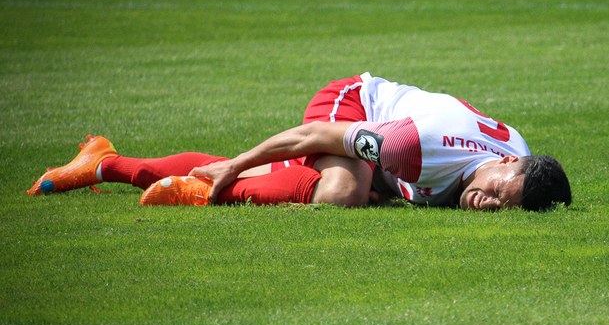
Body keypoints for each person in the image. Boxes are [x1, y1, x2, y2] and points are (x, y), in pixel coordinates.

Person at [28, 73, 571, 212]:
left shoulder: (522, 161)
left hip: (388, 150)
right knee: (341, 194)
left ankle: (106, 162)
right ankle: (113, 165)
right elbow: (314, 135)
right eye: (497, 190)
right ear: (504, 161)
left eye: (503, 207)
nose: (487, 202)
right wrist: (236, 165)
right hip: (352, 105)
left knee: (343, 187)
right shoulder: (417, 146)